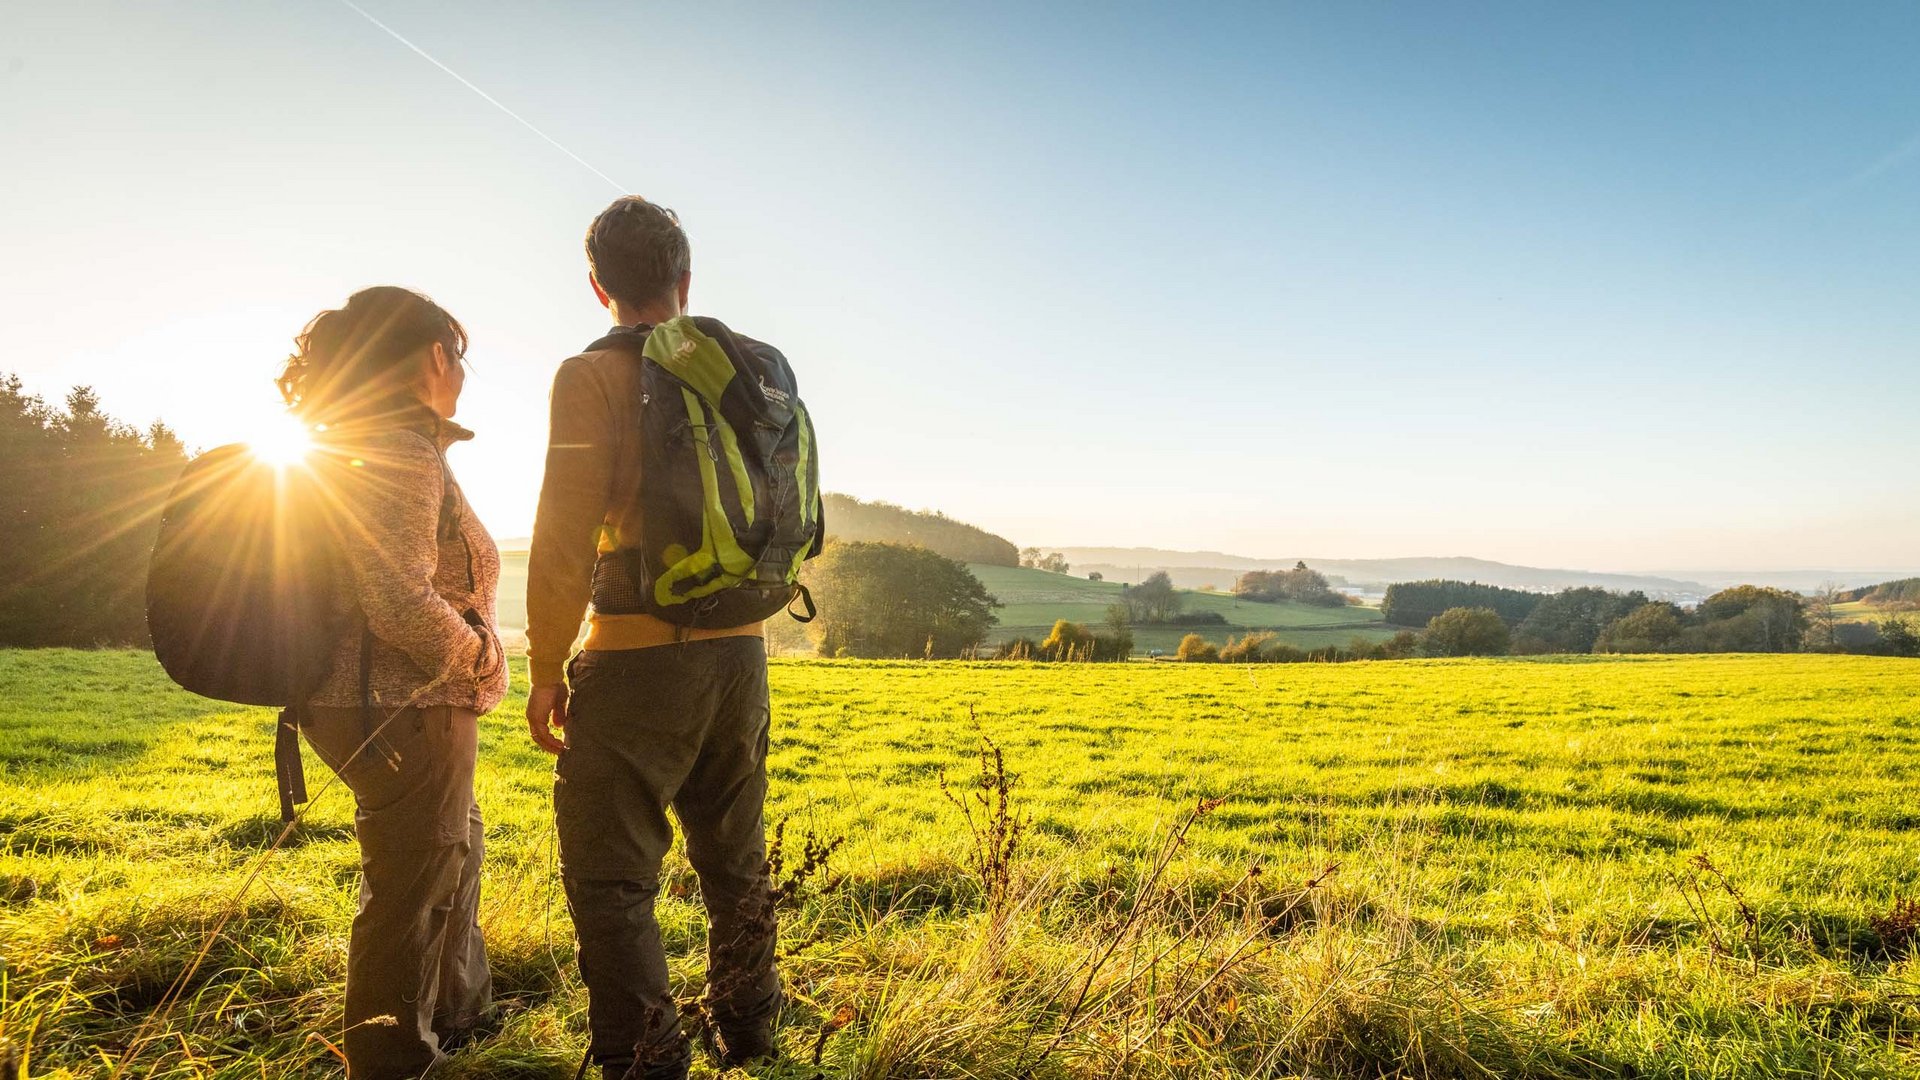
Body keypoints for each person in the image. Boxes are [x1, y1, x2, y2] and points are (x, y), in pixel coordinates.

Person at [525, 197, 784, 1079]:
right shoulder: (747, 366)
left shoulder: (589, 375)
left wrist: (545, 666)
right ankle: (749, 1034)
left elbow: (563, 537)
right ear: (685, 280)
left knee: (613, 879)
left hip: (634, 656)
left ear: (597, 284)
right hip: (743, 650)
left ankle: (646, 1064)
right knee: (736, 861)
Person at [277, 286, 509, 1079]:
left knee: (455, 852)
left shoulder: (365, 443)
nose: (463, 373)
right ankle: (391, 1060)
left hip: (377, 702)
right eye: (460, 356)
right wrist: (480, 659)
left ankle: (458, 1019)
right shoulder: (399, 452)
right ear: (435, 357)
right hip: (406, 705)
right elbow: (398, 596)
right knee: (411, 888)